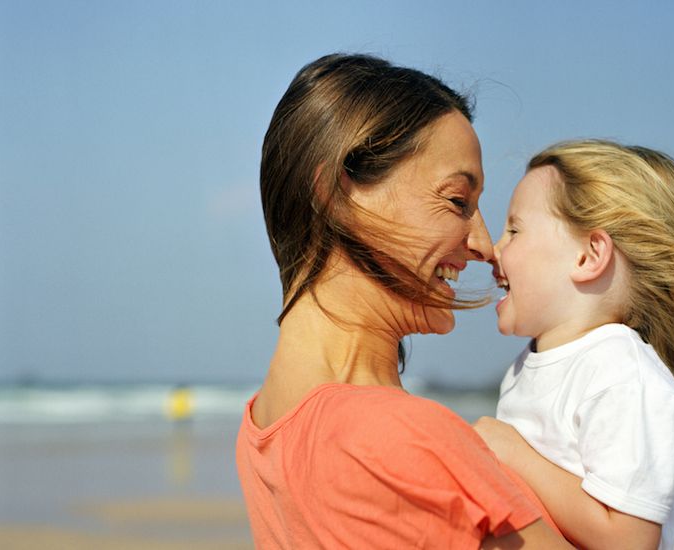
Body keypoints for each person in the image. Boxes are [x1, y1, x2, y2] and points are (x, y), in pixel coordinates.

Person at [235, 53, 571, 549]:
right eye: (458, 202)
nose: (482, 243)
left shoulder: (259, 428)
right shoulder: (403, 435)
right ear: (336, 193)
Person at [474, 140, 674, 549]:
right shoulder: (530, 367)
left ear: (588, 256)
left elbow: (627, 539)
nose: (495, 250)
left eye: (514, 229)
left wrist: (512, 453)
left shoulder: (621, 374)